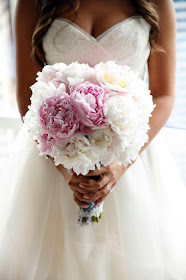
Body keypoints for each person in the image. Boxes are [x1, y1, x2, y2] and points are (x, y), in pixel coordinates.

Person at [0, 0, 186, 279]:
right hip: (52, 163)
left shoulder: (157, 3)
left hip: (131, 159)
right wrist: (65, 167)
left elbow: (163, 94)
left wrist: (120, 166)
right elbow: (29, 98)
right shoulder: (31, 4)